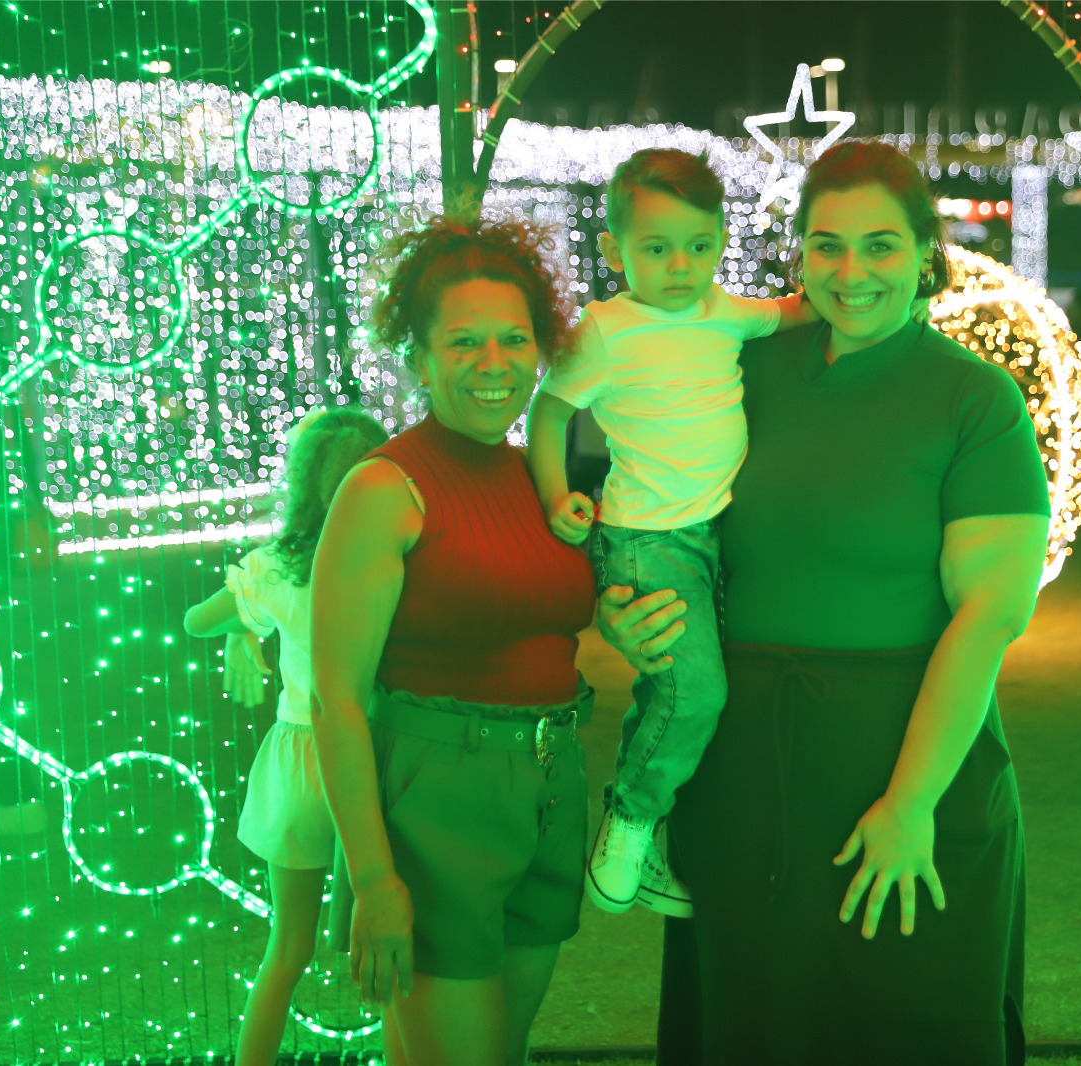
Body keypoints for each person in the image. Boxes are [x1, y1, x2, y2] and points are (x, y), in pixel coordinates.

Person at [597, 139, 1051, 1065]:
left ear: (925, 252)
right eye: (828, 245)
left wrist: (910, 803)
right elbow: (657, 511)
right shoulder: (745, 367)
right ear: (798, 253)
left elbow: (989, 617)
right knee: (747, 1026)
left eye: (881, 245)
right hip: (741, 774)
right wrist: (622, 605)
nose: (853, 272)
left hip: (910, 759)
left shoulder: (977, 401)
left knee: (909, 1025)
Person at [309, 215, 596, 1066]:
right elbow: (336, 702)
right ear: (419, 357)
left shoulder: (539, 474)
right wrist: (373, 877)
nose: (494, 363)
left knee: (502, 1052)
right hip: (438, 794)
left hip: (553, 781)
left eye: (515, 339)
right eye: (464, 342)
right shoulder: (384, 488)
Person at [524, 147, 815, 915]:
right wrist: (555, 495)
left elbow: (795, 310)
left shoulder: (724, 310)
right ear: (615, 250)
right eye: (657, 249)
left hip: (719, 533)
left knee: (673, 687)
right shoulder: (605, 331)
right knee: (695, 695)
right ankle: (629, 822)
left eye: (698, 245)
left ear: (720, 242)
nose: (682, 266)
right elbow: (548, 411)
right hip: (648, 539)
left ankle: (649, 838)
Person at [183, 406, 388, 1066]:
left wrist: (243, 624)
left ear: (302, 482)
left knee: (288, 946)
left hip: (302, 757)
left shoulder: (275, 568)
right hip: (382, 758)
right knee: (389, 943)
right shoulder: (395, 556)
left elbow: (195, 621)